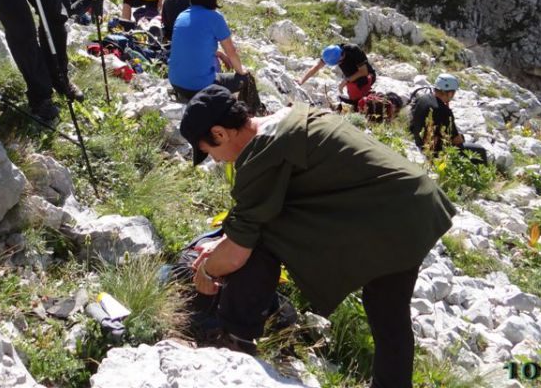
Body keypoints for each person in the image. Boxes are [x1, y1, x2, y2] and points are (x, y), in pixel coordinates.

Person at [179, 85, 455, 386]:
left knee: (263, 239)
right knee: (388, 314)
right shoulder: (290, 117)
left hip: (389, 213)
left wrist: (206, 270)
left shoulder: (263, 154)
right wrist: (225, 242)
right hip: (412, 202)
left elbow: (238, 251)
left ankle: (234, 338)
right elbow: (258, 215)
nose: (217, 161)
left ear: (220, 133)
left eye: (210, 152)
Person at [168, 0, 249, 101]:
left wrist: (220, 54)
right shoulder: (215, 17)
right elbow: (231, 51)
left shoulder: (182, 16)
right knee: (246, 79)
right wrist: (242, 71)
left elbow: (193, 46)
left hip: (176, 83)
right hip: (199, 88)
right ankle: (249, 113)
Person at [409, 73, 489, 165]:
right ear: (450, 93)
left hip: (418, 142)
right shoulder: (443, 111)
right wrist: (462, 138)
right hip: (434, 151)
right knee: (480, 151)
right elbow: (456, 140)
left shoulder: (423, 98)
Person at [297, 43, 376, 104]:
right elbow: (317, 67)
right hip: (351, 77)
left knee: (357, 97)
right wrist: (301, 80)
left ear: (341, 56)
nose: (339, 63)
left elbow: (364, 72)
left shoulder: (354, 50)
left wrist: (346, 80)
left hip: (367, 76)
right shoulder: (331, 53)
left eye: (339, 62)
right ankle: (359, 95)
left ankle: (364, 97)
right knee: (352, 92)